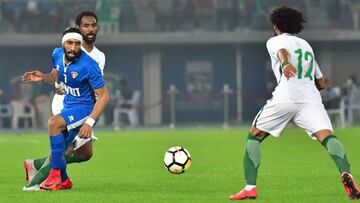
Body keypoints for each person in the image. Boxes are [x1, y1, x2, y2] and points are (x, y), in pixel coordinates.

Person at [228, 5, 360, 200]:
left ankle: (250, 187)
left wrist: (285, 63)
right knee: (328, 137)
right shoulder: (306, 46)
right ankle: (346, 173)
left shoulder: (274, 41)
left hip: (286, 96)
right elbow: (321, 82)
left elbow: (282, 51)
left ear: (276, 26)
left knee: (254, 137)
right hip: (311, 100)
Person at [22, 11, 106, 191]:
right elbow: (57, 74)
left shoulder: (94, 60)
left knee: (84, 153)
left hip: (84, 105)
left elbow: (101, 93)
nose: (90, 29)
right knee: (63, 142)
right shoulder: (58, 53)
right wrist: (46, 78)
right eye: (86, 25)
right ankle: (43, 181)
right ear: (78, 29)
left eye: (93, 25)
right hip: (64, 101)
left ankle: (40, 168)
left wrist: (91, 120)